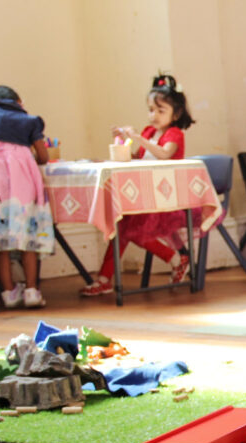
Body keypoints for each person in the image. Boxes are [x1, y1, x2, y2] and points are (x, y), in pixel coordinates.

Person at [79, 74, 195, 296]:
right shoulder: (149, 132)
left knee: (133, 232)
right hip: (142, 195)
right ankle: (105, 278)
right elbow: (137, 157)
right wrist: (121, 142)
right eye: (151, 109)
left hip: (163, 197)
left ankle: (175, 258)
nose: (154, 116)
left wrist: (140, 139)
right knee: (121, 229)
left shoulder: (174, 134)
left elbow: (164, 154)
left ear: (176, 113)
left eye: (161, 111)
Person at [0, 85, 54, 309]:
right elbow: (43, 156)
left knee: (1, 240)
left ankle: (8, 293)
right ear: (19, 101)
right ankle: (32, 291)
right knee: (29, 235)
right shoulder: (30, 121)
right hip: (22, 185)